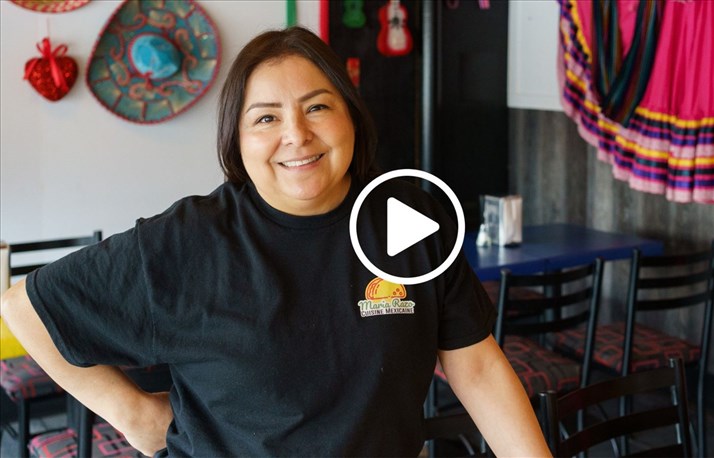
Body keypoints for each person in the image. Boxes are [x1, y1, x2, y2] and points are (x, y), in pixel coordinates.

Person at [0, 27, 550, 456]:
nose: (297, 135)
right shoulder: (188, 241)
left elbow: (477, 367)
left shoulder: (409, 217)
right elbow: (25, 307)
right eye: (265, 118)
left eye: (317, 107)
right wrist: (133, 413)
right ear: (237, 140)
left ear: (351, 117)